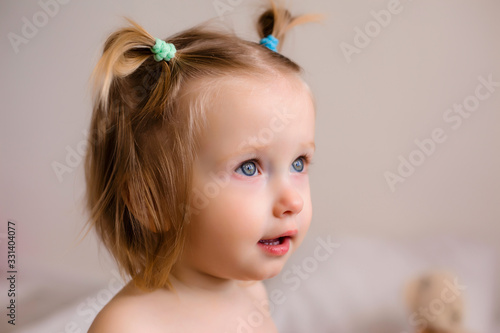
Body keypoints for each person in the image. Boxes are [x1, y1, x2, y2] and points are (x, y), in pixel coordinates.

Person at [84, 1, 321, 331]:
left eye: (298, 163)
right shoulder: (130, 325)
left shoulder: (251, 293)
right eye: (249, 168)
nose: (293, 202)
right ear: (150, 201)